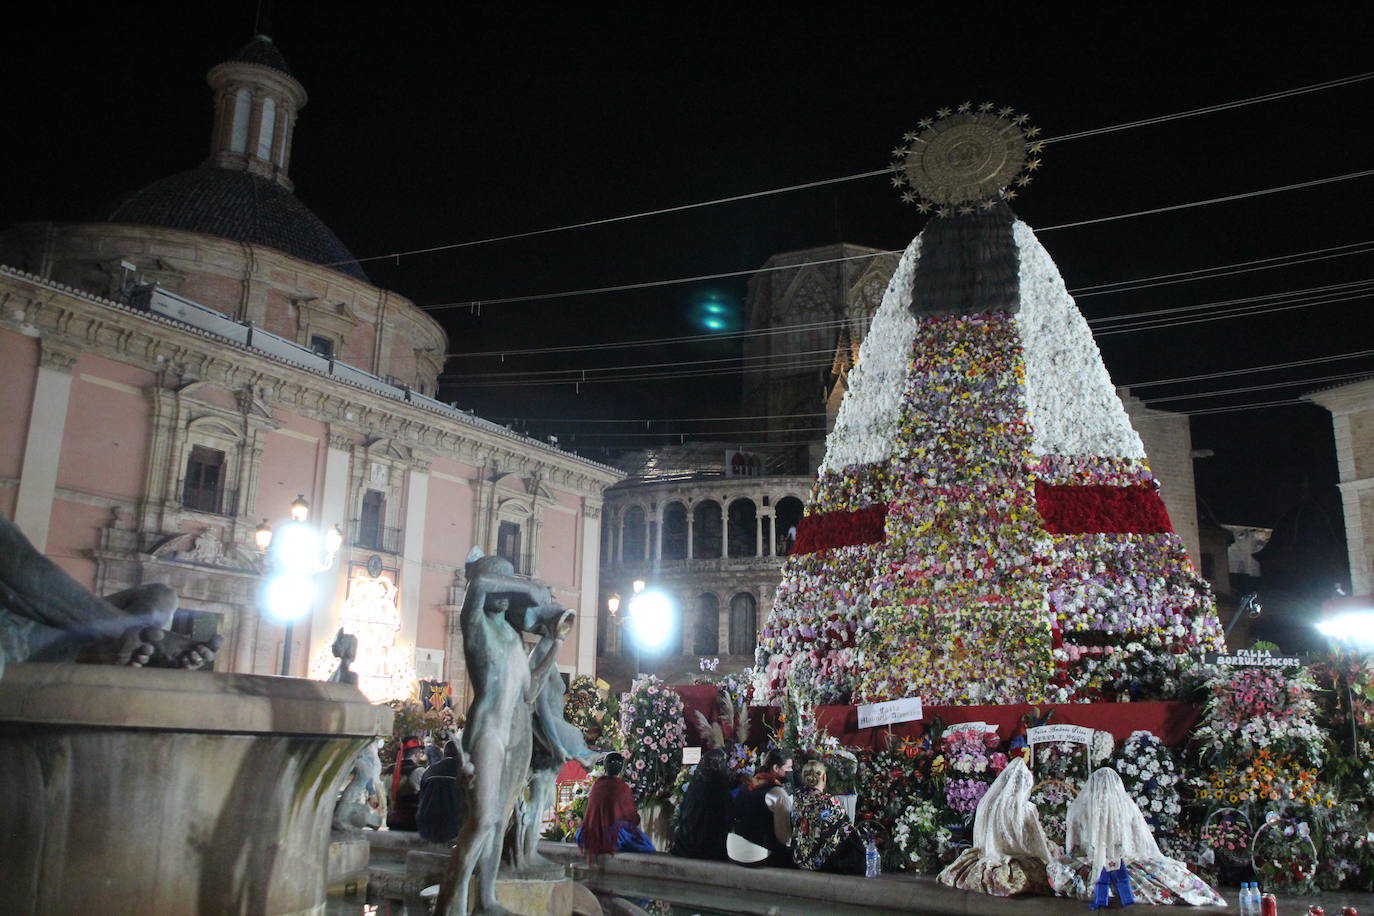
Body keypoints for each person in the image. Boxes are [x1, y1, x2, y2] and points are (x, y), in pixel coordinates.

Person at [434, 551, 573, 916]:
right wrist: (528, 588)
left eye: (505, 583)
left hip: (516, 732)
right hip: (489, 731)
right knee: (480, 821)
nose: (502, 592)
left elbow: (529, 692)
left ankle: (487, 898)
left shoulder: (513, 638)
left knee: (501, 820)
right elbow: (479, 585)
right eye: (500, 581)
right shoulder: (476, 624)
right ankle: (454, 903)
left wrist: (553, 644)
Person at [1047, 768, 1226, 907]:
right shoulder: (1127, 805)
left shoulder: (1080, 808)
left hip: (1091, 861)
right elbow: (1141, 839)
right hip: (1126, 859)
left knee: (1056, 868)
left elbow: (1075, 846)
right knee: (1168, 875)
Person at [938, 757, 1054, 896]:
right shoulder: (1025, 808)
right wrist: (1049, 857)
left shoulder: (987, 803)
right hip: (1013, 854)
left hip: (988, 852)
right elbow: (1035, 839)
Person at [789, 759, 866, 874]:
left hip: (799, 857)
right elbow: (846, 829)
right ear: (824, 777)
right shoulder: (829, 803)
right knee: (848, 830)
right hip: (818, 861)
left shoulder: (797, 800)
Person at [577, 753, 654, 861]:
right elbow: (631, 817)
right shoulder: (622, 787)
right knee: (646, 846)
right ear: (621, 768)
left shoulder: (597, 785)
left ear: (604, 766)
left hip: (592, 834)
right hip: (613, 838)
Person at [727, 748, 794, 867]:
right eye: (788, 768)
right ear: (776, 768)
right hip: (753, 853)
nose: (791, 771)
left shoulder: (748, 784)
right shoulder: (777, 793)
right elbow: (784, 837)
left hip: (732, 847)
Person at [671, 748, 734, 859]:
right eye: (724, 763)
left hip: (689, 846)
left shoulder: (695, 787)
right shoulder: (720, 792)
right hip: (712, 849)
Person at [417, 741, 464, 844]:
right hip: (452, 826)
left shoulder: (429, 770)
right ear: (460, 754)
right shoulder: (463, 772)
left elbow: (421, 798)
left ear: (444, 753)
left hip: (427, 825)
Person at [386, 736, 426, 831]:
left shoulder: (389, 770)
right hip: (411, 821)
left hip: (391, 819)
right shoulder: (419, 771)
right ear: (417, 754)